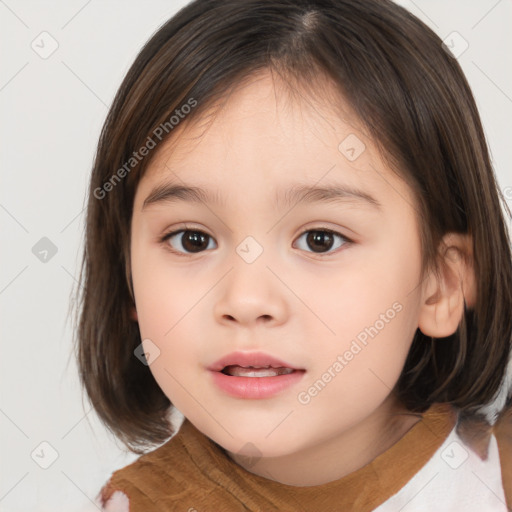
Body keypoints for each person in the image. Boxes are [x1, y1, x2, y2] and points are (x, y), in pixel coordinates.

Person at [74, 0, 512, 510]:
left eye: (320, 239)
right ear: (129, 278)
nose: (247, 299)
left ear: (440, 283)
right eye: (192, 239)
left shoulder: (494, 475)